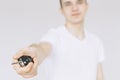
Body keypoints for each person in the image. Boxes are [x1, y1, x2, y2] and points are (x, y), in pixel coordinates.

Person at [12, 0, 105, 80]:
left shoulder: (96, 41)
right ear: (61, 10)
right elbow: (42, 49)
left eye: (79, 2)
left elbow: (100, 77)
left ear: (86, 6)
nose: (75, 8)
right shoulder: (54, 36)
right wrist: (32, 54)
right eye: (68, 4)